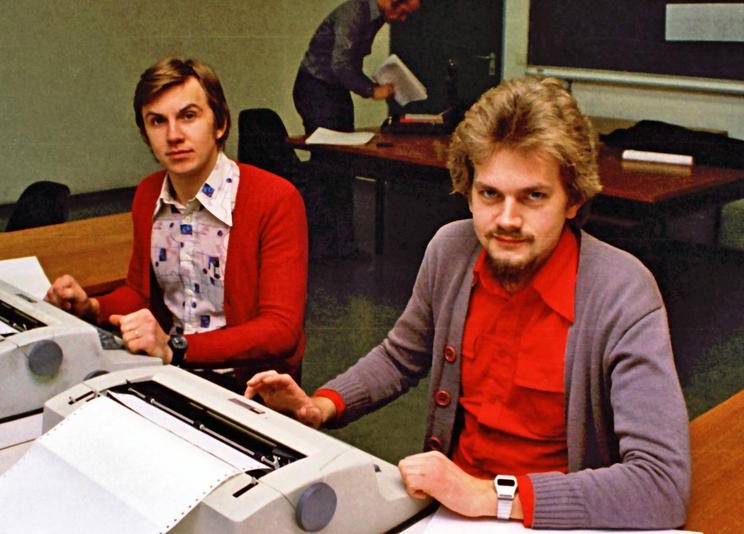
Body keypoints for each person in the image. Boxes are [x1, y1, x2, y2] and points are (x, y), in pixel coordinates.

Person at [245, 77, 690, 529]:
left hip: (552, 519)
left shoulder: (622, 291)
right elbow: (400, 357)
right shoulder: (451, 250)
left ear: (573, 199)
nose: (507, 220)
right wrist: (320, 406)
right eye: (490, 194)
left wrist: (487, 495)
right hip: (452, 513)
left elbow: (661, 485)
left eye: (534, 196)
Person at [46, 57, 308, 391]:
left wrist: (176, 350)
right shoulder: (148, 194)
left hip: (246, 386)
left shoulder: (274, 199)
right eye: (157, 121)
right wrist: (93, 307)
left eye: (188, 116)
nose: (173, 135)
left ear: (220, 124)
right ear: (145, 134)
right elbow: (140, 294)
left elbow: (281, 330)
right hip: (168, 370)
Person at [295, 0, 421, 259]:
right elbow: (340, 65)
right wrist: (371, 90)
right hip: (316, 88)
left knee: (344, 164)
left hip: (334, 91)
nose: (402, 19)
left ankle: (343, 244)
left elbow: (350, 65)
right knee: (327, 165)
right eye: (403, 12)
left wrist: (371, 86)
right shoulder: (354, 13)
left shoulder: (376, 17)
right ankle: (320, 247)